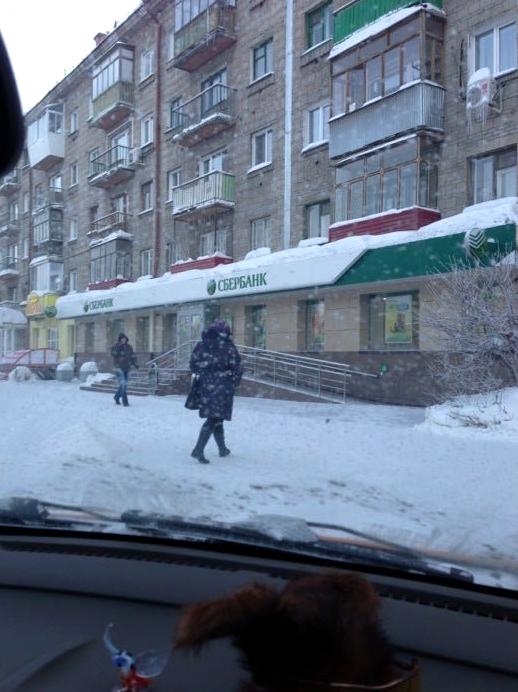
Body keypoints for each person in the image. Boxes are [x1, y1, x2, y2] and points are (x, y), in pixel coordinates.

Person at [188, 320, 242, 464]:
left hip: (205, 385)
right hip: (223, 385)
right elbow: (237, 366)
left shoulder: (201, 345)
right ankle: (198, 449)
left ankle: (222, 448)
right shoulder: (228, 347)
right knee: (214, 418)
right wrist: (234, 382)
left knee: (217, 417)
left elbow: (193, 364)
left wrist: (205, 372)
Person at [110, 333, 138, 407]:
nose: (123, 340)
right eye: (122, 339)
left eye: (125, 338)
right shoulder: (116, 346)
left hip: (127, 368)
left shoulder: (129, 347)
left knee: (123, 385)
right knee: (123, 385)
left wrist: (135, 364)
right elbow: (113, 353)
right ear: (120, 339)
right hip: (118, 368)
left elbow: (132, 356)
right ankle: (125, 401)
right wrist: (119, 348)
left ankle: (116, 397)